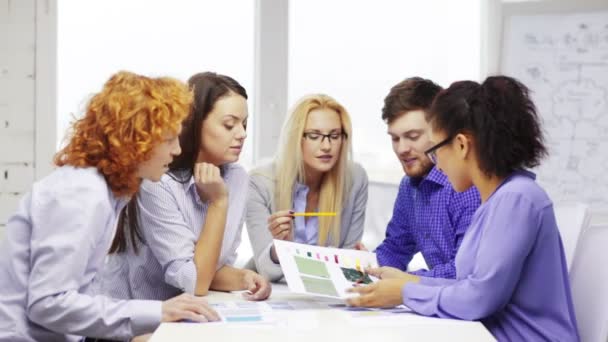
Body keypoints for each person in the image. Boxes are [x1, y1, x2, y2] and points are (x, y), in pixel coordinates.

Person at [348, 76, 580, 341]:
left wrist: (404, 291)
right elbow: (466, 284)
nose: (439, 165)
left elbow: (479, 298)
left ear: (461, 145)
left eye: (436, 151)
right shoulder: (496, 201)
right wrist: (406, 282)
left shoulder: (516, 199)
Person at [0, 71, 219, 342]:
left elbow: (77, 297)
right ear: (135, 141)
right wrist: (157, 312)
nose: (176, 150)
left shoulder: (105, 191)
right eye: (168, 140)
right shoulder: (82, 195)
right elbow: (48, 304)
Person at [100, 72, 271, 302]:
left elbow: (212, 269)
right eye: (229, 125)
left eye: (244, 123)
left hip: (182, 314)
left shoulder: (237, 178)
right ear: (195, 124)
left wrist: (245, 278)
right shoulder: (158, 183)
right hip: (130, 323)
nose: (242, 134)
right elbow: (196, 282)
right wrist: (218, 203)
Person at [247, 94, 368, 281]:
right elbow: (266, 270)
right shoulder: (259, 182)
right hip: (273, 291)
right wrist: (279, 248)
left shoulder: (355, 179)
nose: (327, 146)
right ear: (294, 138)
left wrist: (359, 263)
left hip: (327, 294)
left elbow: (348, 261)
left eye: (334, 136)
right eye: (314, 136)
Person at [373, 77, 480, 278]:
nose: (402, 149)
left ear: (439, 131)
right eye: (395, 138)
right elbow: (395, 249)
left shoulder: (467, 185)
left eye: (413, 136)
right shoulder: (409, 186)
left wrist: (406, 282)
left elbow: (464, 272)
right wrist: (363, 268)